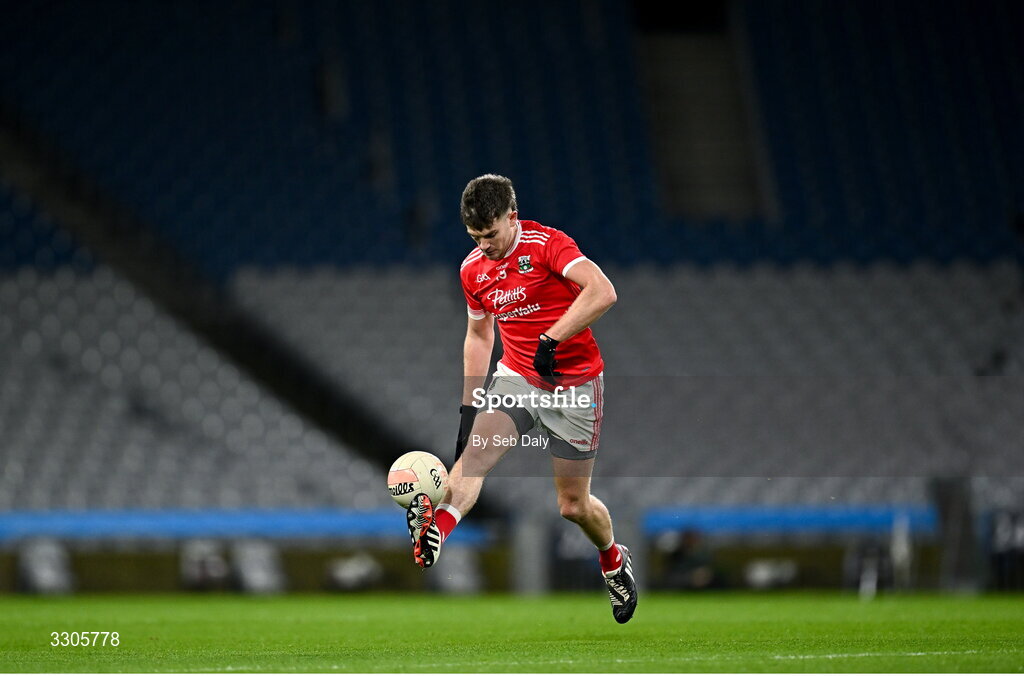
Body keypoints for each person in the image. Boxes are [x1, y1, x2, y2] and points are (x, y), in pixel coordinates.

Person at [406, 174, 636, 623]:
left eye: (490, 235)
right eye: (475, 237)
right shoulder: (473, 269)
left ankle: (612, 558)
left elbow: (603, 291)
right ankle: (437, 531)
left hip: (575, 386)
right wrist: (470, 403)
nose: (484, 246)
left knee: (573, 506)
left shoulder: (548, 244)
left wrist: (552, 338)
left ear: (512, 216)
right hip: (516, 379)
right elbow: (478, 333)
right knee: (471, 461)